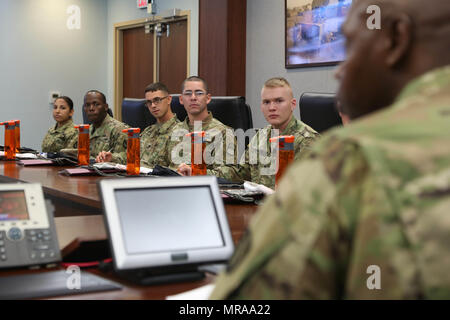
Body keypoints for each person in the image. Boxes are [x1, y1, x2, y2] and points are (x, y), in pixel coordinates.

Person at [211, 0, 450, 299]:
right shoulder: (260, 136)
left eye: (349, 47)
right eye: (267, 102)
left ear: (397, 38)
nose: (339, 72)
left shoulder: (350, 158)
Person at [179, 77, 319, 189]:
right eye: (266, 102)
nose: (272, 107)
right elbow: (239, 173)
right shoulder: (260, 136)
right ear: (261, 106)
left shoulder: (307, 140)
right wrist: (198, 173)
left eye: (279, 101)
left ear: (292, 104)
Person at [97, 83, 179, 168]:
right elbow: (131, 156)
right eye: (149, 102)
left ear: (169, 99)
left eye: (157, 100)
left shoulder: (179, 132)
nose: (153, 105)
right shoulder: (148, 131)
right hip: (136, 177)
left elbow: (175, 172)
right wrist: (112, 158)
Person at [168, 76, 236, 171]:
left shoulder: (223, 132)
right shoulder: (174, 130)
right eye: (188, 94)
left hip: (203, 184)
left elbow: (230, 174)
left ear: (208, 98)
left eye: (199, 93)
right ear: (181, 100)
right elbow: (162, 166)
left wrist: (196, 173)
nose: (193, 98)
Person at [66, 90, 128, 164]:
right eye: (87, 105)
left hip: (109, 174)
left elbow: (126, 158)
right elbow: (70, 151)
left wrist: (111, 158)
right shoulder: (85, 131)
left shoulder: (119, 130)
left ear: (106, 107)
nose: (91, 108)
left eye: (96, 104)